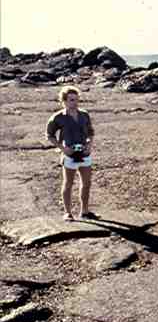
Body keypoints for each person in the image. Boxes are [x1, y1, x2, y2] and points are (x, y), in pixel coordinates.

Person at [45, 85, 96, 221]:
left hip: (84, 153)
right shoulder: (57, 118)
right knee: (68, 183)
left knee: (86, 183)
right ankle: (68, 213)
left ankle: (84, 211)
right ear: (64, 101)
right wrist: (63, 148)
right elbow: (49, 135)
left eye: (76, 100)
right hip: (69, 153)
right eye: (71, 100)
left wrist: (89, 145)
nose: (75, 103)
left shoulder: (84, 114)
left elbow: (91, 132)